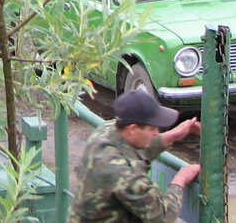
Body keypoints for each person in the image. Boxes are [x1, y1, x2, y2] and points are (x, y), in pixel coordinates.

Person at [68, 89, 202, 223]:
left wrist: (172, 136)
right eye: (152, 129)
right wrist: (180, 180)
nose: (157, 132)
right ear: (132, 129)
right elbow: (163, 216)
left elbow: (133, 147)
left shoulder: (107, 130)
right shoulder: (124, 174)